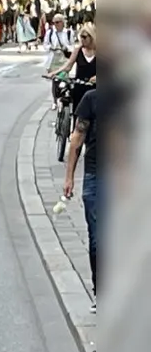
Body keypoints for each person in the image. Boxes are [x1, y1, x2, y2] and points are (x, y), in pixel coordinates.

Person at [63, 85, 105, 297]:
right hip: (95, 176)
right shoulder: (92, 99)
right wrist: (69, 176)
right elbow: (77, 139)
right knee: (98, 239)